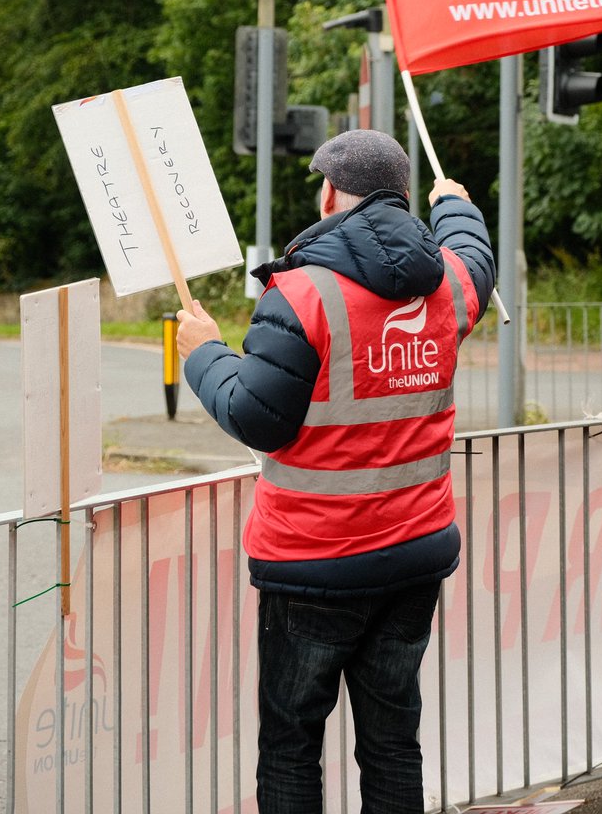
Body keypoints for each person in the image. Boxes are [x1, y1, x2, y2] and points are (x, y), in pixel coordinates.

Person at [176, 128, 495, 814]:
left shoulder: (300, 294)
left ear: (328, 193)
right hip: (414, 557)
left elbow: (257, 416)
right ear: (402, 197)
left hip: (314, 566)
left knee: (292, 744)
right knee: (392, 742)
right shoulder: (445, 284)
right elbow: (476, 256)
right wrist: (456, 204)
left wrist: (203, 353)